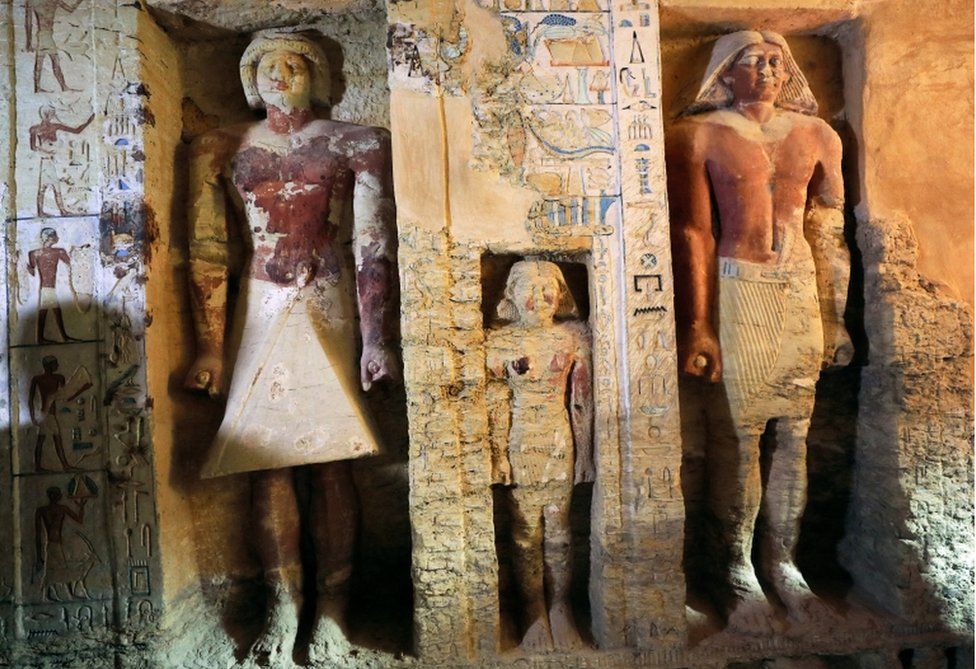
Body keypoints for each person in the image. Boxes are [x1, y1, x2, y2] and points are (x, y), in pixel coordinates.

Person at [185, 30, 398, 664]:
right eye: (267, 65)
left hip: (327, 297)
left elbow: (372, 243)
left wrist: (377, 338)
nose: (281, 74)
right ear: (251, 80)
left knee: (333, 460)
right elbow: (208, 250)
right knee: (266, 460)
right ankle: (284, 605)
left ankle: (332, 608)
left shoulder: (355, 141)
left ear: (318, 76)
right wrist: (210, 349)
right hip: (261, 302)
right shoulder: (221, 145)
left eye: (294, 63)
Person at [666, 31, 852, 633]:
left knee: (795, 435)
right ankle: (735, 569)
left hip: (798, 286)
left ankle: (783, 564)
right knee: (742, 440)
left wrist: (835, 313)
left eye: (777, 60)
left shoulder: (818, 135)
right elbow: (693, 231)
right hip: (739, 285)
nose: (769, 69)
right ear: (725, 73)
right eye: (754, 61)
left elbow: (829, 231)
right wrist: (698, 323)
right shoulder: (699, 134)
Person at [486, 260, 593, 651]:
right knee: (526, 532)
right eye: (527, 287)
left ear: (561, 293)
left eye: (547, 285)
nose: (538, 296)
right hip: (519, 444)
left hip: (558, 441)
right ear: (511, 296)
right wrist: (498, 454)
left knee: (560, 530)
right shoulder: (500, 343)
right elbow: (496, 403)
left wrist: (585, 455)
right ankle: (532, 611)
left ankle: (561, 608)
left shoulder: (572, 338)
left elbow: (581, 403)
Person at [29, 107, 94, 216]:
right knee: (47, 186)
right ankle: (52, 211)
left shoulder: (54, 126)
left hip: (50, 161)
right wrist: (46, 151)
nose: (49, 117)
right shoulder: (35, 129)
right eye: (48, 114)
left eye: (49, 114)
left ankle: (60, 210)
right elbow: (33, 147)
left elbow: (77, 130)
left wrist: (88, 122)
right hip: (46, 160)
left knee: (52, 186)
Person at [35, 486, 92, 601]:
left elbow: (80, 520)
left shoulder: (45, 510)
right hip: (53, 545)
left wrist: (81, 507)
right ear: (58, 496)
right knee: (57, 570)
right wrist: (81, 508)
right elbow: (38, 533)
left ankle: (53, 594)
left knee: (56, 569)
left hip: (54, 544)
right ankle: (52, 595)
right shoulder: (58, 509)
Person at [27, 228, 79, 343]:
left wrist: (28, 268)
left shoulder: (35, 253)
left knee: (51, 310)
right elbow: (70, 262)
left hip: (47, 287)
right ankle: (58, 337)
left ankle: (55, 337)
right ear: (49, 238)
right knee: (50, 310)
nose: (57, 238)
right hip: (47, 288)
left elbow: (32, 271)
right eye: (55, 236)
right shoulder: (58, 251)